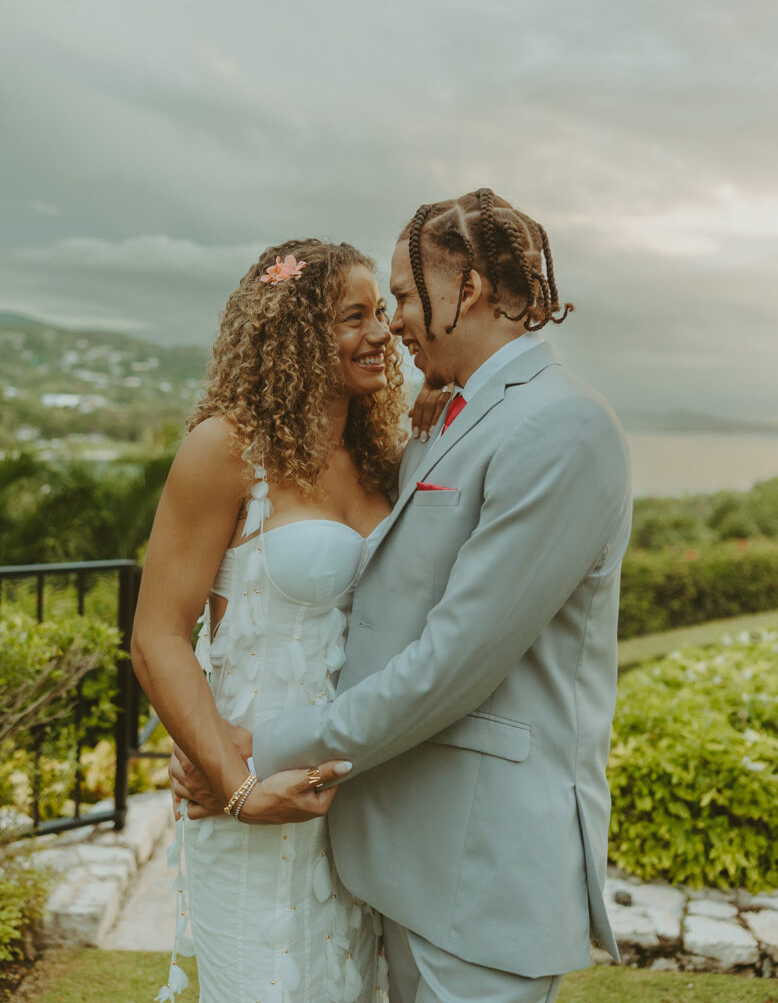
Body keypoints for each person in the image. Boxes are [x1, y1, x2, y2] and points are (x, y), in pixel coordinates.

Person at [173, 190, 632, 1003]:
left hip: (479, 867)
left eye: (407, 299)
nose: (395, 326)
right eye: (370, 311)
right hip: (390, 846)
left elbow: (454, 661)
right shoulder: (442, 425)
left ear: (473, 290)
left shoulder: (563, 427)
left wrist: (249, 754)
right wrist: (214, 746)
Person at [131, 238, 413, 1002]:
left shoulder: (384, 456)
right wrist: (233, 787)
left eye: (383, 312)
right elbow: (156, 636)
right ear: (295, 336)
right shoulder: (227, 451)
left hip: (354, 804)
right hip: (248, 793)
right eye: (355, 316)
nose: (382, 333)